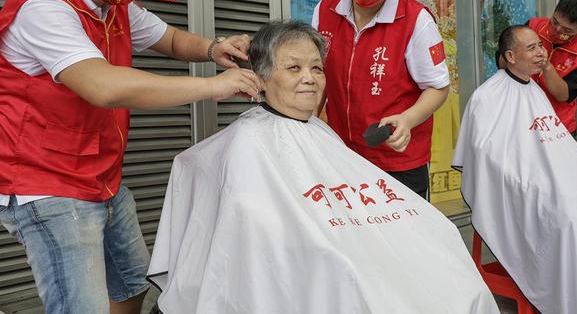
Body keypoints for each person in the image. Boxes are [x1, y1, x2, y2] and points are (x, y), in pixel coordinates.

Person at [0, 0, 261, 313]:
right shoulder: (43, 8)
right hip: (48, 185)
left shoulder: (112, 3)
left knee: (132, 283)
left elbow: (171, 38)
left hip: (101, 176)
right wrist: (213, 86)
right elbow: (102, 86)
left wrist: (214, 48)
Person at [147, 20, 499, 314]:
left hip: (362, 244)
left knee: (442, 241)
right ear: (262, 77)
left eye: (316, 68)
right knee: (358, 279)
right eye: (294, 67)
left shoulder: (321, 134)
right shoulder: (245, 146)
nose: (310, 78)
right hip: (330, 262)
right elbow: (258, 234)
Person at [453, 25, 577, 314]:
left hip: (559, 181)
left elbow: (556, 149)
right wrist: (532, 183)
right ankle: (574, 299)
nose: (541, 52)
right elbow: (487, 157)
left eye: (540, 46)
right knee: (571, 220)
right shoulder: (487, 98)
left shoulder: (536, 92)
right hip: (527, 186)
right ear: (510, 56)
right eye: (532, 48)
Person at [312, 0, 450, 200]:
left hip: (397, 163)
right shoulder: (326, 10)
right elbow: (318, 75)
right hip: (341, 155)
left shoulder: (415, 20)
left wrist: (408, 119)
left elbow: (438, 87)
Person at [501, 0, 577, 135]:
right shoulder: (533, 26)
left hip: (558, 125)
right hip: (519, 117)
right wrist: (511, 56)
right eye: (554, 22)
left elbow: (564, 95)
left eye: (566, 31)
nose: (556, 31)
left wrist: (546, 66)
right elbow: (504, 61)